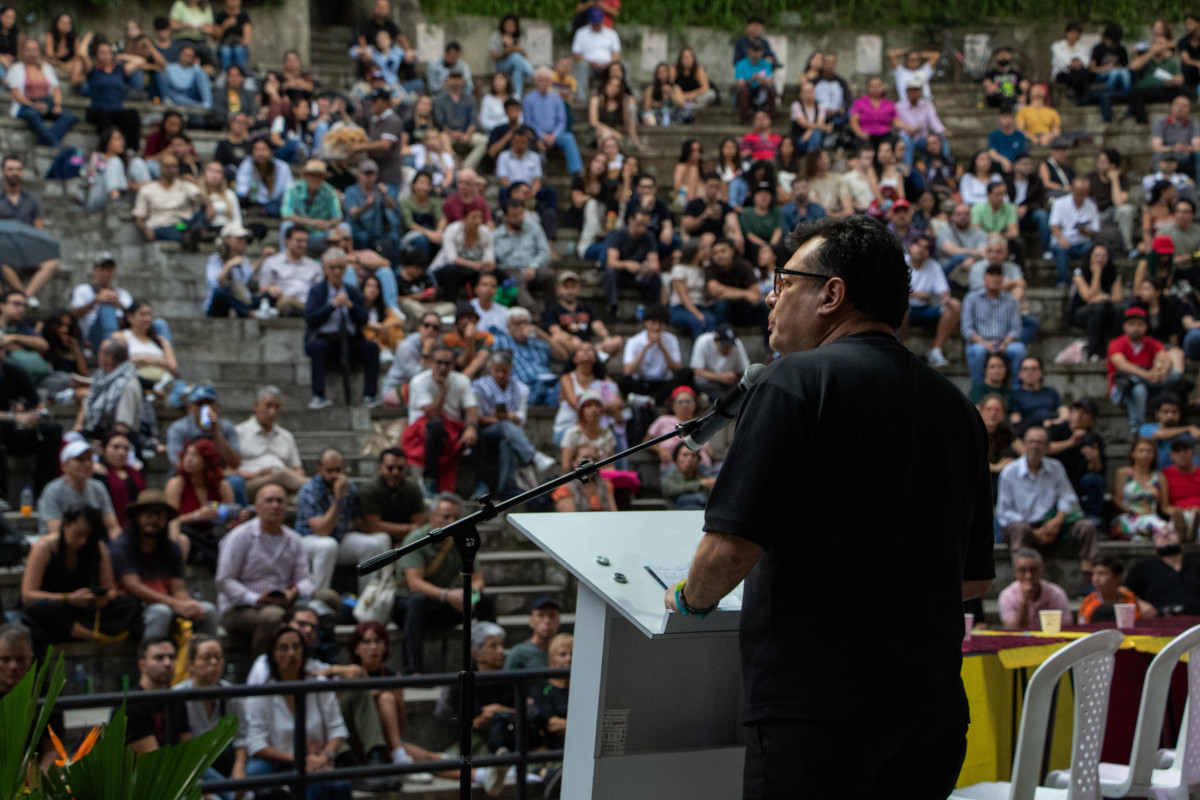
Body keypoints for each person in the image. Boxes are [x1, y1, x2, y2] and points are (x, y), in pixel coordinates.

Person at [667, 215, 993, 797]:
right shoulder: (959, 409)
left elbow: (729, 549)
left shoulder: (793, 381)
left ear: (832, 294)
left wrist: (688, 600)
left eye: (784, 282)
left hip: (817, 714)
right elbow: (969, 583)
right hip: (930, 714)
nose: (771, 298)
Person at [216, 484, 338, 646]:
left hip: (284, 601)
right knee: (273, 616)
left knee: (328, 598)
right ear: (257, 507)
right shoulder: (240, 536)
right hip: (241, 608)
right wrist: (257, 599)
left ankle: (322, 656)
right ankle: (266, 668)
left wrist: (293, 592)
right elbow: (224, 580)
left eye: (280, 501)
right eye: (269, 501)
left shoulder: (294, 539)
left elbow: (306, 580)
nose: (275, 505)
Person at [243, 624, 355, 800]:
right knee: (255, 771)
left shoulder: (319, 686)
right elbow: (256, 744)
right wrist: (295, 758)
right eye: (284, 648)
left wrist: (325, 755)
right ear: (273, 654)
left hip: (315, 759)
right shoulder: (262, 692)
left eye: (296, 647)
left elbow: (338, 730)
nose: (291, 653)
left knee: (336, 784)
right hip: (278, 760)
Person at [391, 493, 497, 674]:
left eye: (456, 517)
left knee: (485, 600)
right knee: (418, 601)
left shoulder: (462, 540)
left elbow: (478, 580)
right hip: (409, 606)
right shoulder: (416, 539)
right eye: (446, 516)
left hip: (443, 606)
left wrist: (470, 596)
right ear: (431, 516)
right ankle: (412, 669)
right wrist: (447, 595)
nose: (452, 521)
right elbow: (414, 583)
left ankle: (488, 662)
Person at [20, 504, 139, 646]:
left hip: (83, 609)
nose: (83, 541)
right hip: (55, 606)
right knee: (40, 609)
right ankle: (79, 632)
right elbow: (28, 595)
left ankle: (81, 629)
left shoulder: (97, 547)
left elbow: (109, 588)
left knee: (129, 604)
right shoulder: (43, 548)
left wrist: (103, 597)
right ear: (65, 524)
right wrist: (68, 598)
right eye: (78, 534)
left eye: (88, 536)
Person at [110, 488, 217, 640]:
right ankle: (152, 659)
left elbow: (178, 588)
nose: (153, 519)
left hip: (167, 603)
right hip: (133, 610)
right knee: (161, 612)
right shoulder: (122, 546)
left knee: (207, 610)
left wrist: (188, 604)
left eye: (159, 514)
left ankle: (204, 657)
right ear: (137, 517)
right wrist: (175, 604)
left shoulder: (172, 548)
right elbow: (133, 586)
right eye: (148, 514)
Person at [996, 425, 1099, 583]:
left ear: (1047, 447)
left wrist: (1057, 520)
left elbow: (1068, 498)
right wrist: (1034, 531)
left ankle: (1087, 581)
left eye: (1039, 442)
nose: (1034, 446)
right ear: (1024, 443)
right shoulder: (1010, 472)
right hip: (1024, 525)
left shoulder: (1056, 468)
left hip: (1053, 524)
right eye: (1030, 442)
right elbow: (1004, 512)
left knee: (1087, 527)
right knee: (1019, 529)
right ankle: (1022, 582)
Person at [295, 448, 390, 595]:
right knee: (327, 545)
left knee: (372, 544)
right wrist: (338, 499)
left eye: (338, 470)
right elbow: (322, 531)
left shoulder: (350, 487)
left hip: (339, 539)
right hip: (309, 541)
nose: (334, 475)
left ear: (344, 467)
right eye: (329, 470)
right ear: (319, 469)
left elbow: (361, 524)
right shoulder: (309, 489)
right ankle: (319, 599)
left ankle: (368, 602)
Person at [471, 350, 558, 500]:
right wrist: (503, 419)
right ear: (491, 369)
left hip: (510, 435)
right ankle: (533, 456)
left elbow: (521, 418)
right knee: (505, 426)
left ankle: (504, 488)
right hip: (486, 434)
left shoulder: (521, 388)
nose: (500, 375)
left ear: (510, 369)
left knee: (507, 443)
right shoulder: (479, 387)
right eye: (497, 371)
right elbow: (477, 417)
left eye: (504, 371)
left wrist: (509, 417)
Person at [303, 248, 381, 409]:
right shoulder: (317, 291)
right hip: (325, 340)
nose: (337, 271)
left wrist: (351, 307)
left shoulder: (352, 291)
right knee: (318, 347)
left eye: (340, 267)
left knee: (372, 348)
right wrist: (331, 306)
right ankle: (318, 396)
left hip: (350, 340)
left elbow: (364, 319)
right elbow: (311, 319)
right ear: (325, 269)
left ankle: (370, 396)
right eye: (333, 267)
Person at [401, 344, 480, 495]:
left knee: (477, 433)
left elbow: (472, 409)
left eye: (447, 363)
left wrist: (471, 428)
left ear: (453, 364)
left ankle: (481, 484)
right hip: (423, 430)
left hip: (451, 428)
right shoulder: (419, 381)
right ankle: (429, 480)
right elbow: (433, 414)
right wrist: (443, 389)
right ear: (430, 362)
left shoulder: (462, 380)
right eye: (439, 362)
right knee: (436, 426)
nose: (443, 367)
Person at [173, 635, 249, 791]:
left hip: (228, 761)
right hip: (193, 765)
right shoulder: (177, 695)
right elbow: (182, 750)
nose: (214, 663)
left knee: (258, 770)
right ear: (190, 665)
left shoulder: (231, 693)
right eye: (207, 658)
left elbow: (241, 738)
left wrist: (239, 769)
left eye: (218, 657)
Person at [1109, 306, 1186, 432]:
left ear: (1145, 327)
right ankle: (1138, 429)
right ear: (1125, 327)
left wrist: (1162, 371)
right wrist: (1146, 375)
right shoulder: (1116, 343)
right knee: (1139, 388)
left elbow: (1164, 357)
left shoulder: (1151, 342)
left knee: (1175, 376)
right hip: (1122, 388)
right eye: (1132, 324)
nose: (1135, 328)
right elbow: (1121, 364)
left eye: (1139, 324)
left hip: (1149, 384)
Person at [165, 439, 240, 569]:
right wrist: (196, 515)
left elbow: (230, 518)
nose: (188, 459)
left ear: (207, 461)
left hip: (212, 534)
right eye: (186, 454)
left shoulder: (222, 486)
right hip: (188, 534)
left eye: (194, 455)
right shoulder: (177, 483)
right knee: (181, 533)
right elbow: (171, 520)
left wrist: (237, 517)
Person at [0, 155, 60, 302]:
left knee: (52, 262)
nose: (15, 172)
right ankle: (23, 296)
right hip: (3, 247)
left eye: (18, 169)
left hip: (26, 247)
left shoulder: (32, 199)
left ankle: (24, 296)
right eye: (10, 169)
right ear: (3, 172)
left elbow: (38, 231)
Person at [37, 439, 120, 539]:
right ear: (65, 465)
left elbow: (113, 528)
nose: (87, 464)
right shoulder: (53, 491)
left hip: (91, 545)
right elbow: (55, 533)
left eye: (90, 459)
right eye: (80, 460)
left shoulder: (98, 487)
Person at [165, 383, 242, 489]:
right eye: (199, 404)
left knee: (236, 482)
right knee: (175, 483)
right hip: (188, 477)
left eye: (209, 403)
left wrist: (216, 433)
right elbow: (178, 465)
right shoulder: (178, 428)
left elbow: (235, 463)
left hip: (219, 477)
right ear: (190, 406)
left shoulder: (227, 427)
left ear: (216, 405)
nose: (205, 408)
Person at [236, 386, 306, 501]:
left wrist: (293, 473)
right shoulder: (239, 432)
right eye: (268, 406)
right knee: (282, 475)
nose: (273, 411)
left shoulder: (286, 436)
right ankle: (320, 485)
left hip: (282, 485)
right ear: (256, 406)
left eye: (277, 407)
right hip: (253, 483)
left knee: (297, 499)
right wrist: (256, 474)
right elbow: (228, 472)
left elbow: (298, 469)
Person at [961, 263, 1025, 386]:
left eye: (998, 275)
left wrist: (1004, 344)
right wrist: (985, 343)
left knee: (1019, 349)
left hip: (1004, 344)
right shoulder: (971, 298)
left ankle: (1016, 389)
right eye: (991, 275)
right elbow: (967, 329)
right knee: (979, 351)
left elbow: (1015, 329)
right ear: (984, 278)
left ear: (1002, 279)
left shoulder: (1011, 300)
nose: (994, 278)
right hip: (979, 343)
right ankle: (978, 390)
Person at [5, 39, 77, 147]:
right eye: (28, 50)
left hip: (45, 104)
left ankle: (46, 139)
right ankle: (53, 142)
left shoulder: (47, 68)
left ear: (39, 52)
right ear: (23, 52)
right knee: (32, 114)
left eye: (34, 50)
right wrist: (33, 105)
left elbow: (56, 89)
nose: (31, 53)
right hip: (26, 105)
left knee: (70, 116)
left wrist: (57, 105)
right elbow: (15, 94)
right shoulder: (16, 69)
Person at [904, 235, 960, 368]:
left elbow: (944, 292)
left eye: (926, 248)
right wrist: (915, 295)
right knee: (900, 306)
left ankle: (936, 351)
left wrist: (943, 298)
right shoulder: (900, 262)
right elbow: (892, 289)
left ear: (929, 252)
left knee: (955, 305)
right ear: (910, 247)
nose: (921, 250)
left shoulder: (934, 266)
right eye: (918, 245)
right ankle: (901, 346)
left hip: (927, 309)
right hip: (905, 309)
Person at [124, 636, 183, 753]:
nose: (167, 663)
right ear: (142, 665)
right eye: (159, 658)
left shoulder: (177, 699)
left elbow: (187, 747)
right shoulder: (130, 706)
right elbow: (153, 759)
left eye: (171, 657)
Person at [1124, 525, 1200, 615]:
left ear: (1182, 542)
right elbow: (1123, 591)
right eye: (1159, 535)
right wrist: (1139, 603)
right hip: (1159, 621)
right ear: (1154, 547)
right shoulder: (1143, 566)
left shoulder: (1196, 565)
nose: (1164, 534)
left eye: (1171, 533)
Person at [524, 67, 584, 176]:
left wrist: (554, 135)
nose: (543, 82)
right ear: (536, 81)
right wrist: (541, 135)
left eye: (546, 79)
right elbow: (528, 122)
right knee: (528, 139)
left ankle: (576, 172)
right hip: (536, 135)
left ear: (550, 81)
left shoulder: (557, 98)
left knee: (569, 138)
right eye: (541, 79)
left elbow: (562, 120)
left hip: (555, 135)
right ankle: (537, 174)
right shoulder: (528, 99)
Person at [360, 447, 426, 545]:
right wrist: (409, 528)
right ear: (380, 468)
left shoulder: (413, 489)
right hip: (378, 539)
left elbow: (418, 524)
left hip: (406, 539)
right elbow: (373, 526)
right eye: (390, 468)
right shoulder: (370, 489)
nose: (395, 472)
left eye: (400, 468)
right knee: (382, 539)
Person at [1110, 436, 1172, 541]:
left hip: (1152, 517)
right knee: (1164, 528)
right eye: (1141, 450)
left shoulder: (1159, 477)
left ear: (1154, 455)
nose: (1145, 454)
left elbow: (1165, 507)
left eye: (1149, 451)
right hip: (1128, 518)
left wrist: (1182, 513)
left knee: (1156, 524)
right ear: (1132, 453)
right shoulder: (1123, 473)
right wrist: (1133, 511)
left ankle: (1140, 537)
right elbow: (1116, 500)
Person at [133, 153, 203, 243]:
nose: (172, 170)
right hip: (159, 225)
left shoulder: (185, 186)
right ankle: (188, 237)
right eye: (168, 166)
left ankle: (190, 235)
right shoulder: (147, 190)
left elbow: (200, 199)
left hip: (181, 225)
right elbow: (139, 217)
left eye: (175, 166)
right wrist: (146, 230)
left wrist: (196, 183)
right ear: (160, 167)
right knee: (174, 232)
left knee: (194, 221)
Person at [997, 548, 1074, 629]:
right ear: (1015, 573)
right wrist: (1024, 602)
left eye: (1033, 570)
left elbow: (1067, 626)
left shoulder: (1056, 594)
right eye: (1022, 570)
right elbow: (1011, 630)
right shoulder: (1007, 596)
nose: (1029, 576)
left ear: (1042, 571)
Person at [1048, 176, 1100, 288]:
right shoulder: (1059, 203)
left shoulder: (1091, 206)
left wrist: (1086, 231)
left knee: (1093, 248)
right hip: (1063, 241)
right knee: (1062, 249)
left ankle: (1088, 280)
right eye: (1079, 193)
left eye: (1084, 194)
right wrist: (1061, 239)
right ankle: (1062, 281)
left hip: (1081, 241)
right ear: (1072, 189)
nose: (1081, 197)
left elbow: (1095, 229)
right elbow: (1053, 225)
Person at [1078, 556, 1156, 623]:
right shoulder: (1088, 603)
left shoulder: (1129, 599)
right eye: (1093, 574)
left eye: (1101, 574)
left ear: (1118, 577)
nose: (1095, 579)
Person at [571, 7, 620, 102]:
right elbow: (577, 55)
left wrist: (609, 63)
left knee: (622, 67)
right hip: (589, 66)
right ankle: (581, 99)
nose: (596, 25)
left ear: (602, 20)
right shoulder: (581, 33)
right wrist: (590, 62)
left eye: (598, 22)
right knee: (581, 66)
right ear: (589, 21)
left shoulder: (612, 34)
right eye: (594, 22)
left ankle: (623, 97)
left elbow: (616, 55)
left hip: (608, 67)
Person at [691, 323, 749, 401]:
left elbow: (743, 370)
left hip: (728, 384)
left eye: (730, 346)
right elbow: (697, 371)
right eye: (725, 346)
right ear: (716, 341)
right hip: (707, 383)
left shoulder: (737, 344)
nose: (728, 349)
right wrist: (721, 377)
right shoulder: (703, 341)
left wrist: (734, 378)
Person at [503, 596, 561, 671]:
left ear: (558, 620)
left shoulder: (567, 652)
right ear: (531, 621)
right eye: (541, 615)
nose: (547, 621)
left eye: (551, 616)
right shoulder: (519, 653)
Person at [662, 442, 716, 510]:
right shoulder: (668, 478)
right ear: (676, 458)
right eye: (685, 455)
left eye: (693, 455)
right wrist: (700, 483)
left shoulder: (705, 477)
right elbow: (673, 489)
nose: (689, 459)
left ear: (698, 460)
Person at [734, 41, 776, 123]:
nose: (756, 53)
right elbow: (738, 83)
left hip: (761, 90)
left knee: (771, 89)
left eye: (758, 51)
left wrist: (763, 80)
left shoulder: (766, 64)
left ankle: (771, 118)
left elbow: (770, 79)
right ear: (749, 51)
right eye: (754, 50)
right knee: (744, 90)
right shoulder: (741, 64)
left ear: (762, 52)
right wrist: (751, 79)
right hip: (747, 92)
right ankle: (744, 119)